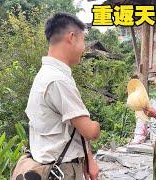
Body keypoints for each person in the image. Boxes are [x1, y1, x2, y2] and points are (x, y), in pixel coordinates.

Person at [25, 13, 100, 180]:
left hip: (55, 164)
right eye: (83, 41)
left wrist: (89, 159)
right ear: (72, 37)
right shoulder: (58, 80)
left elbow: (73, 127)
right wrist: (95, 125)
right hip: (61, 170)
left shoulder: (48, 75)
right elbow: (89, 132)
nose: (84, 48)